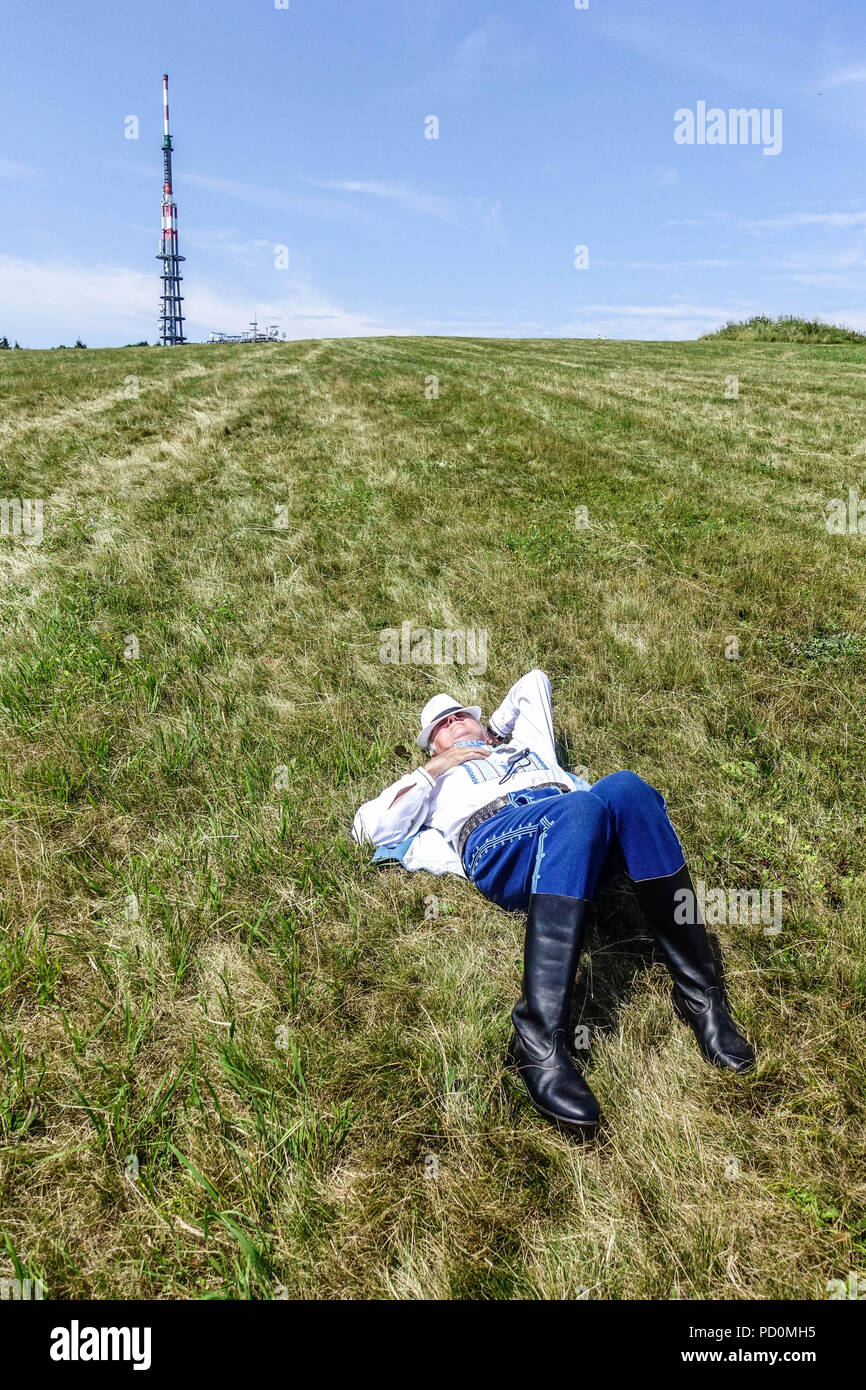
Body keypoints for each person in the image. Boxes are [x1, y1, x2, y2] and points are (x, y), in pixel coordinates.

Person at [352, 669, 755, 1137]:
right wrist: (436, 769)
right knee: (580, 807)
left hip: (573, 823)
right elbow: (368, 830)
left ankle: (699, 995)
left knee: (627, 787)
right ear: (431, 746)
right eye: (441, 725)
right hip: (501, 841)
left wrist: (495, 733)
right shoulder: (434, 784)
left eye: (462, 714)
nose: (455, 722)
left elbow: (534, 682)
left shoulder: (526, 749)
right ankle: (537, 1037)